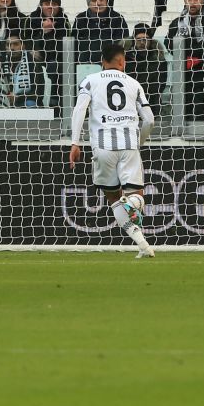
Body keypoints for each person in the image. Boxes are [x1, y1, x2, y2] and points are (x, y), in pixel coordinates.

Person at [68, 42, 156, 258]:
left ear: (102, 62)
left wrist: (75, 142)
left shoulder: (90, 81)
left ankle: (142, 245)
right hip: (129, 146)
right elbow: (150, 120)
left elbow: (80, 110)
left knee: (114, 199)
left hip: (102, 147)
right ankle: (133, 207)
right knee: (137, 197)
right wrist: (140, 141)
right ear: (122, 61)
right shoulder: (134, 83)